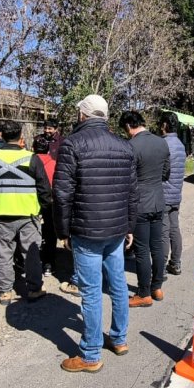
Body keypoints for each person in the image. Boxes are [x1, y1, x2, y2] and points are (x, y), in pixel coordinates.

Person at [53, 94, 137, 373]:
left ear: (82, 115)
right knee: (118, 285)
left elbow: (62, 193)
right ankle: (120, 339)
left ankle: (90, 354)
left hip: (86, 229)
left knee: (91, 293)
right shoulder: (124, 146)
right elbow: (131, 193)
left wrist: (62, 230)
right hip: (115, 229)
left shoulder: (72, 144)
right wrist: (129, 226)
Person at [0, 119, 51, 305]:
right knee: (31, 253)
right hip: (28, 215)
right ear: (21, 136)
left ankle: (5, 292)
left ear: (1, 135)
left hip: (0, 214)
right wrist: (42, 209)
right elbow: (44, 189)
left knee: (3, 255)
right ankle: (34, 289)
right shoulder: (31, 158)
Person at [120, 110, 170, 307]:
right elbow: (166, 173)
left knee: (141, 250)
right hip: (159, 200)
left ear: (128, 127)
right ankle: (156, 287)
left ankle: (143, 293)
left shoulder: (131, 146)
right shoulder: (161, 142)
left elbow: (127, 179)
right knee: (157, 245)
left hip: (140, 203)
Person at [159, 112, 186, 276]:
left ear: (164, 125)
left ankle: (160, 269)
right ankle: (175, 264)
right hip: (176, 194)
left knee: (163, 232)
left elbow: (163, 170)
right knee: (174, 229)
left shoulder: (163, 144)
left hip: (163, 195)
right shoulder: (180, 145)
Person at [32, 133, 59, 280]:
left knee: (30, 232)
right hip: (50, 202)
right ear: (48, 149)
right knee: (50, 232)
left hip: (30, 202)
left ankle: (29, 262)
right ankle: (49, 264)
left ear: (33, 148)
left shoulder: (28, 162)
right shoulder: (55, 163)